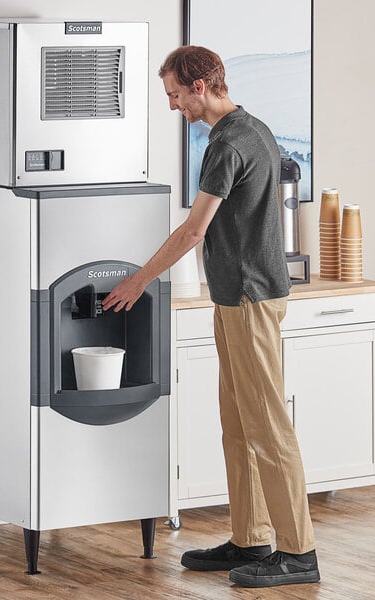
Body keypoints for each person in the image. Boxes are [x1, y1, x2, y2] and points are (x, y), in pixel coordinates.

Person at [102, 45, 319, 588]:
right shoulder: (252, 129)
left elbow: (193, 230)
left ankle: (298, 552)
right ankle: (250, 537)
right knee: (238, 423)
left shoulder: (228, 145)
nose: (174, 106)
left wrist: (139, 279)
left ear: (200, 86)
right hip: (234, 299)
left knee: (267, 425)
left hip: (249, 300)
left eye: (175, 94)